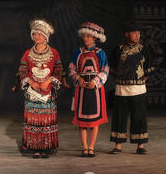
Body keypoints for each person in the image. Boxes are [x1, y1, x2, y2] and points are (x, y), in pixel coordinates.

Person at [15, 19, 63, 159]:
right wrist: (30, 81)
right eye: (34, 34)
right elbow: (22, 70)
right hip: (32, 93)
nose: (36, 36)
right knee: (34, 120)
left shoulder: (54, 53)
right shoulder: (27, 53)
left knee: (46, 121)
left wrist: (49, 80)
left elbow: (59, 70)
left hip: (48, 93)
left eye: (39, 34)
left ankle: (45, 148)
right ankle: (35, 148)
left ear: (46, 36)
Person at [109, 21, 155, 155]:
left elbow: (150, 67)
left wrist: (142, 79)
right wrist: (119, 77)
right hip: (121, 89)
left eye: (138, 33)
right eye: (134, 33)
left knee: (139, 117)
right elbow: (111, 67)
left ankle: (140, 145)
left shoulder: (144, 49)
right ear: (127, 34)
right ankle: (118, 145)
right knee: (119, 116)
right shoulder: (118, 49)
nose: (137, 36)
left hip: (138, 89)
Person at [69, 22, 109, 157]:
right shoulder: (78, 53)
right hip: (81, 89)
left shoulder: (100, 53)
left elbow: (105, 70)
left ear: (95, 38)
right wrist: (78, 79)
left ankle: (91, 147)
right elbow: (71, 68)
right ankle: (84, 147)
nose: (86, 38)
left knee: (93, 121)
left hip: (95, 89)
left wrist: (95, 82)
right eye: (84, 36)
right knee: (82, 121)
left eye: (89, 36)